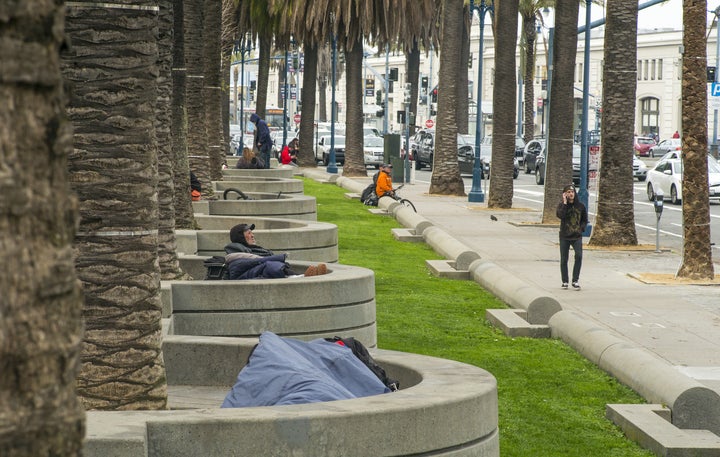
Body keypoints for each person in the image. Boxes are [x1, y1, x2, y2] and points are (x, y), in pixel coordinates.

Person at [224, 223, 327, 279]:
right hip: (252, 279)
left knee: (270, 264)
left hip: (263, 275)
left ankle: (305, 275)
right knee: (269, 265)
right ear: (241, 237)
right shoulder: (237, 255)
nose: (253, 235)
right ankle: (301, 276)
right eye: (249, 233)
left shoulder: (255, 250)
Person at [556, 184, 588, 290]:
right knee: (564, 259)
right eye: (568, 192)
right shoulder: (561, 206)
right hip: (564, 236)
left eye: (572, 192)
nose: (571, 194)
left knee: (578, 256)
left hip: (576, 236)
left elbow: (584, 219)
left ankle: (575, 280)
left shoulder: (581, 206)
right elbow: (561, 215)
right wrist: (565, 203)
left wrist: (581, 228)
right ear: (565, 194)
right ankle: (565, 281)